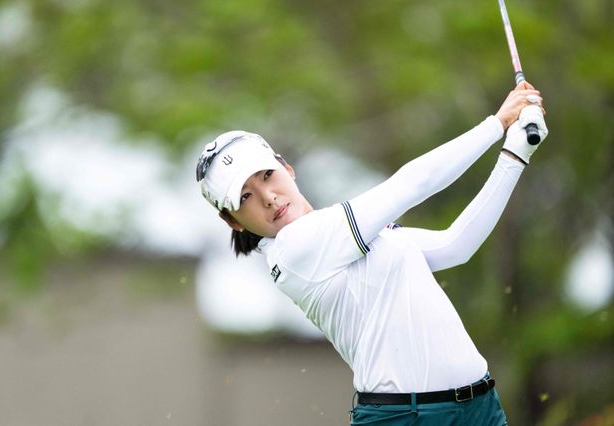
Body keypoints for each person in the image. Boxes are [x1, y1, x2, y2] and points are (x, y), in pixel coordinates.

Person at [196, 82, 548, 425]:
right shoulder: (294, 248)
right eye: (245, 197)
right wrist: (497, 123)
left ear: (286, 167)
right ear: (232, 221)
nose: (268, 197)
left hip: (481, 408)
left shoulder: (344, 231)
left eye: (266, 175)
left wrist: (515, 154)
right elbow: (411, 184)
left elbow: (455, 246)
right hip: (404, 418)